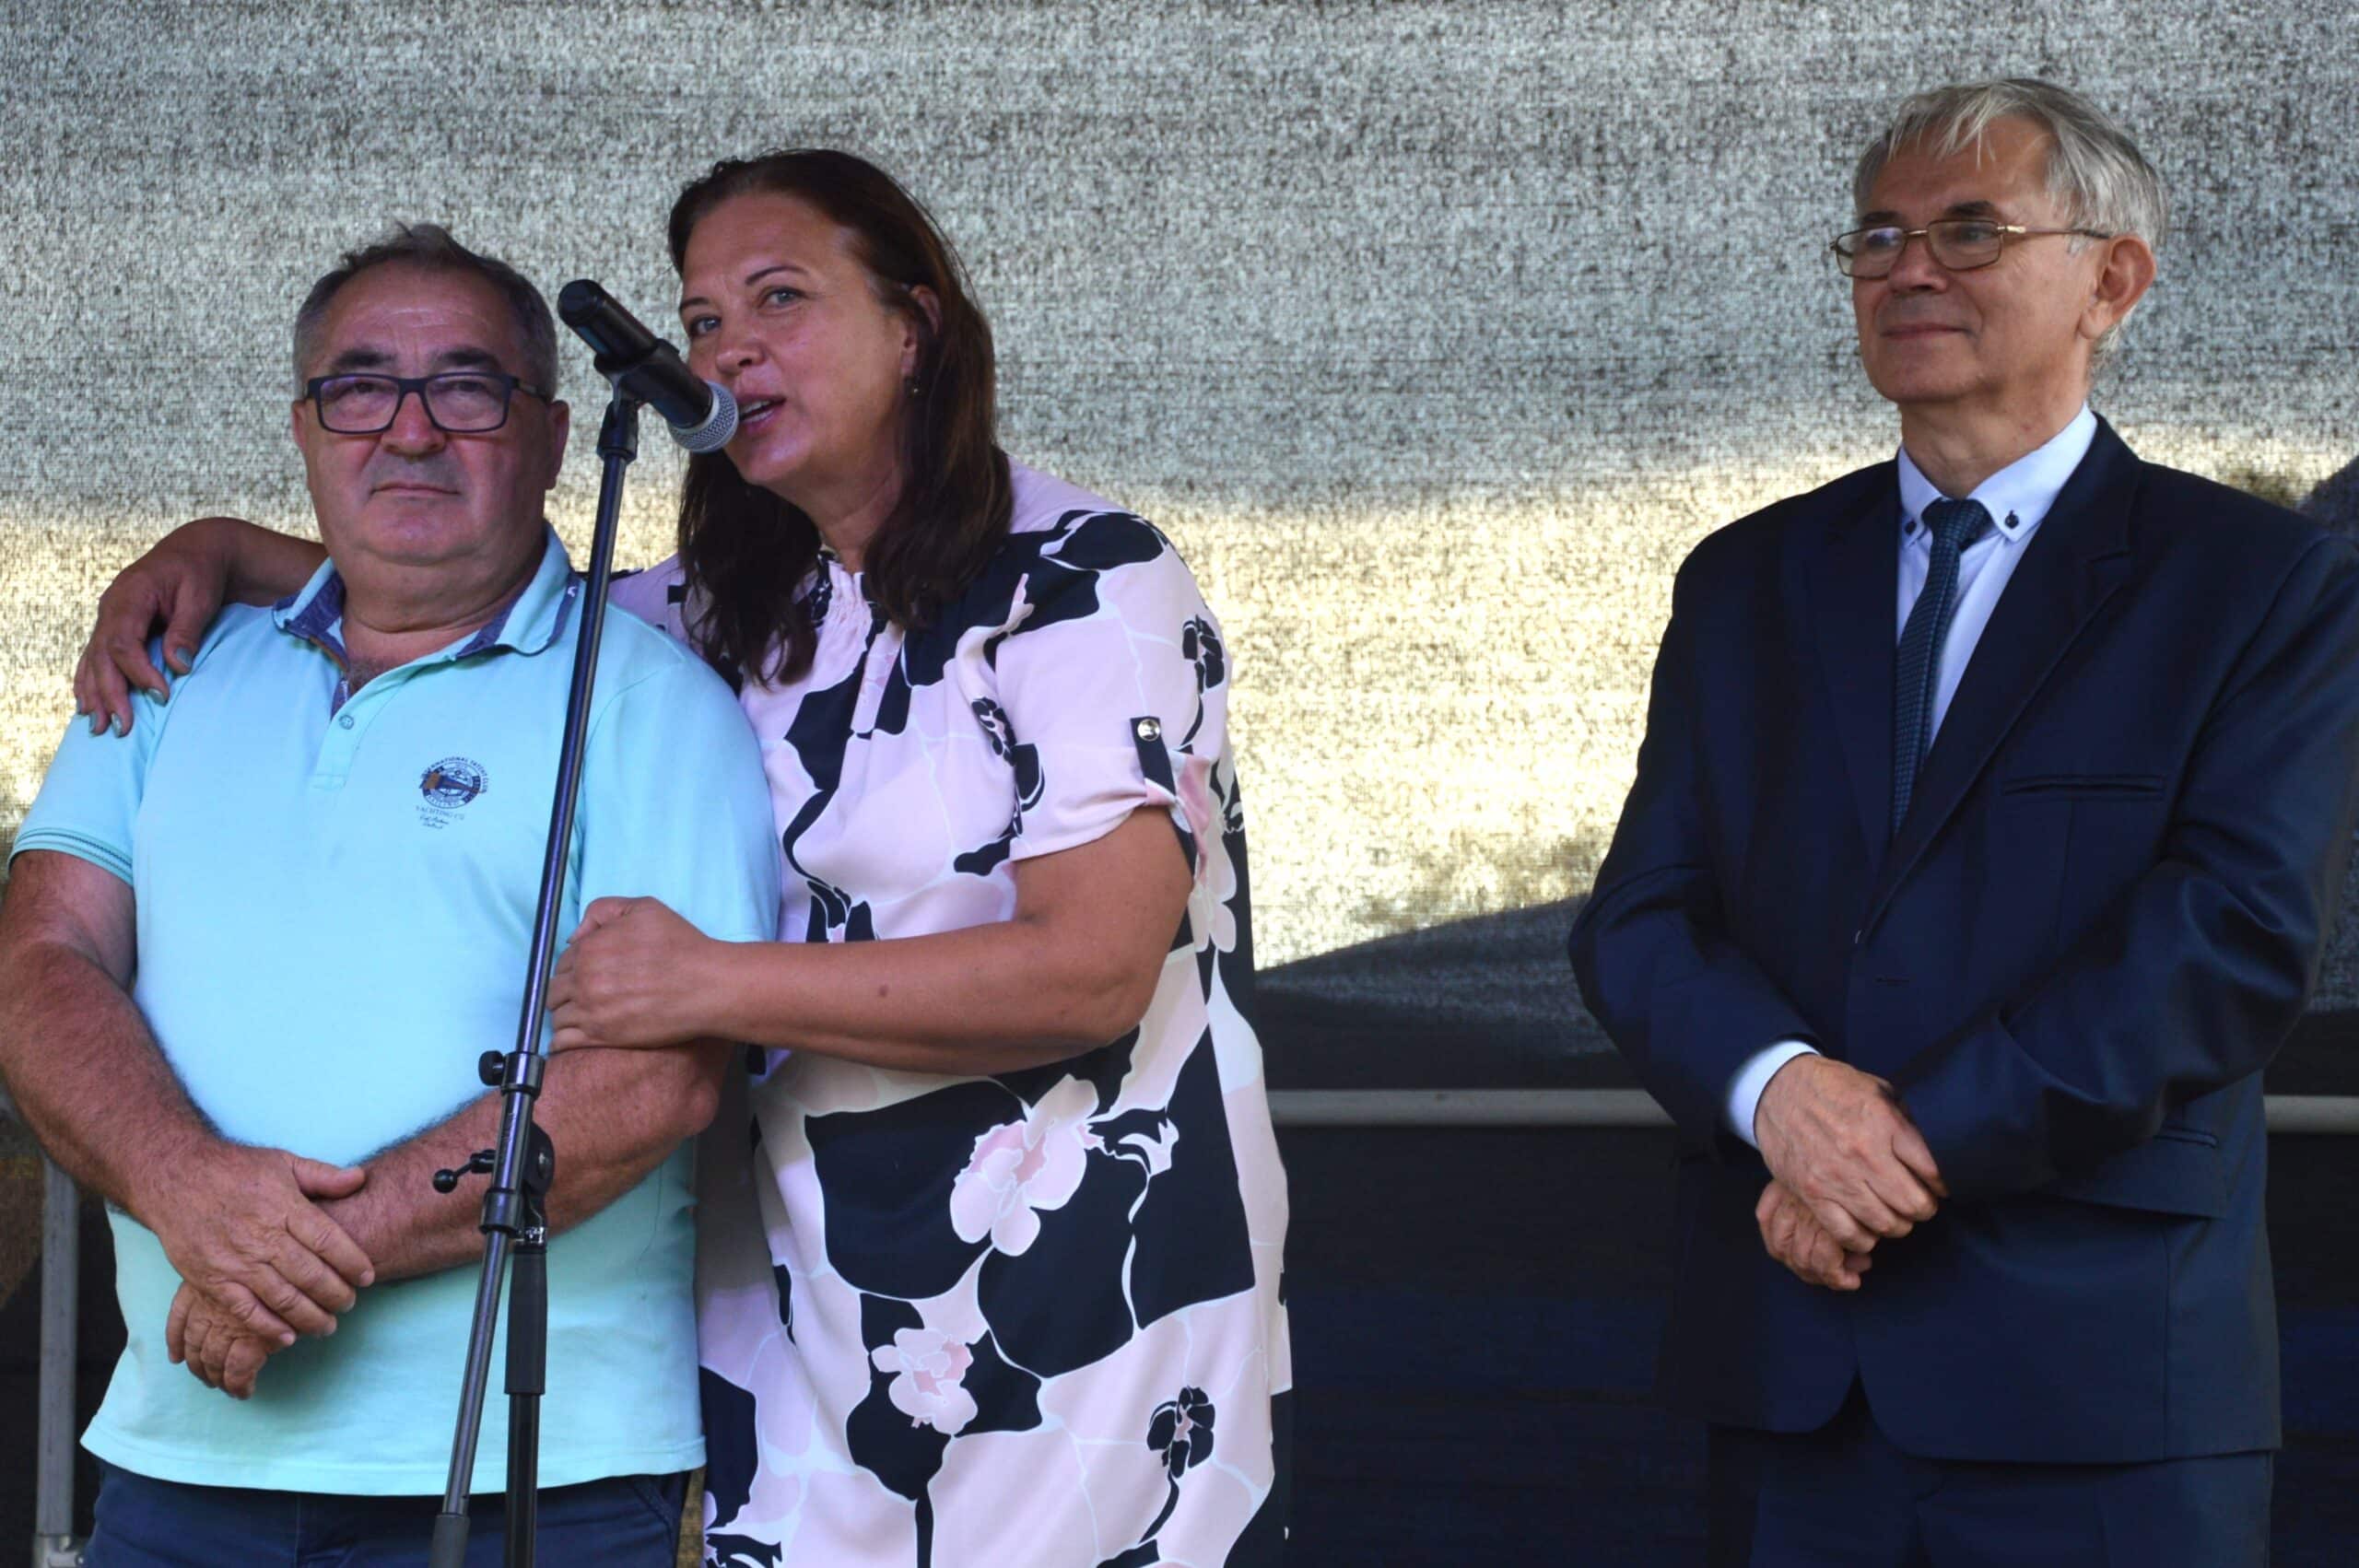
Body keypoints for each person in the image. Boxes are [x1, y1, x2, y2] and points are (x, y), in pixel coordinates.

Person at [72, 151, 1291, 1567]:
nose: (727, 350)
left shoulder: (1081, 577)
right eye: (703, 320)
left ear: (915, 327)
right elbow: (476, 584)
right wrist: (222, 547)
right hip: (819, 1319)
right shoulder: (739, 608)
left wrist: (715, 981)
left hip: (1077, 1291)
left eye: (780, 298)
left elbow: (1090, 970)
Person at [1567, 78, 2359, 1565]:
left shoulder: (2255, 583)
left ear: (2112, 281)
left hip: (2105, 1390)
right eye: (1878, 236)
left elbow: (2232, 937)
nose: (1909, 268)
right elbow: (1641, 916)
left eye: (1970, 231)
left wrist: (1887, 1149)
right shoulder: (1745, 581)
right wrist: (1779, 1093)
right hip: (1798, 1379)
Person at [1, 226, 782, 1566]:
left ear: (551, 436)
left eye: (466, 389)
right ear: (304, 431)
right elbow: (39, 959)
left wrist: (286, 1261)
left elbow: (654, 1082)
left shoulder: (653, 703)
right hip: (178, 1456)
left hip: (537, 1482)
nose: (410, 431)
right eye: (360, 387)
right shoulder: (166, 666)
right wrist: (185, 1186)